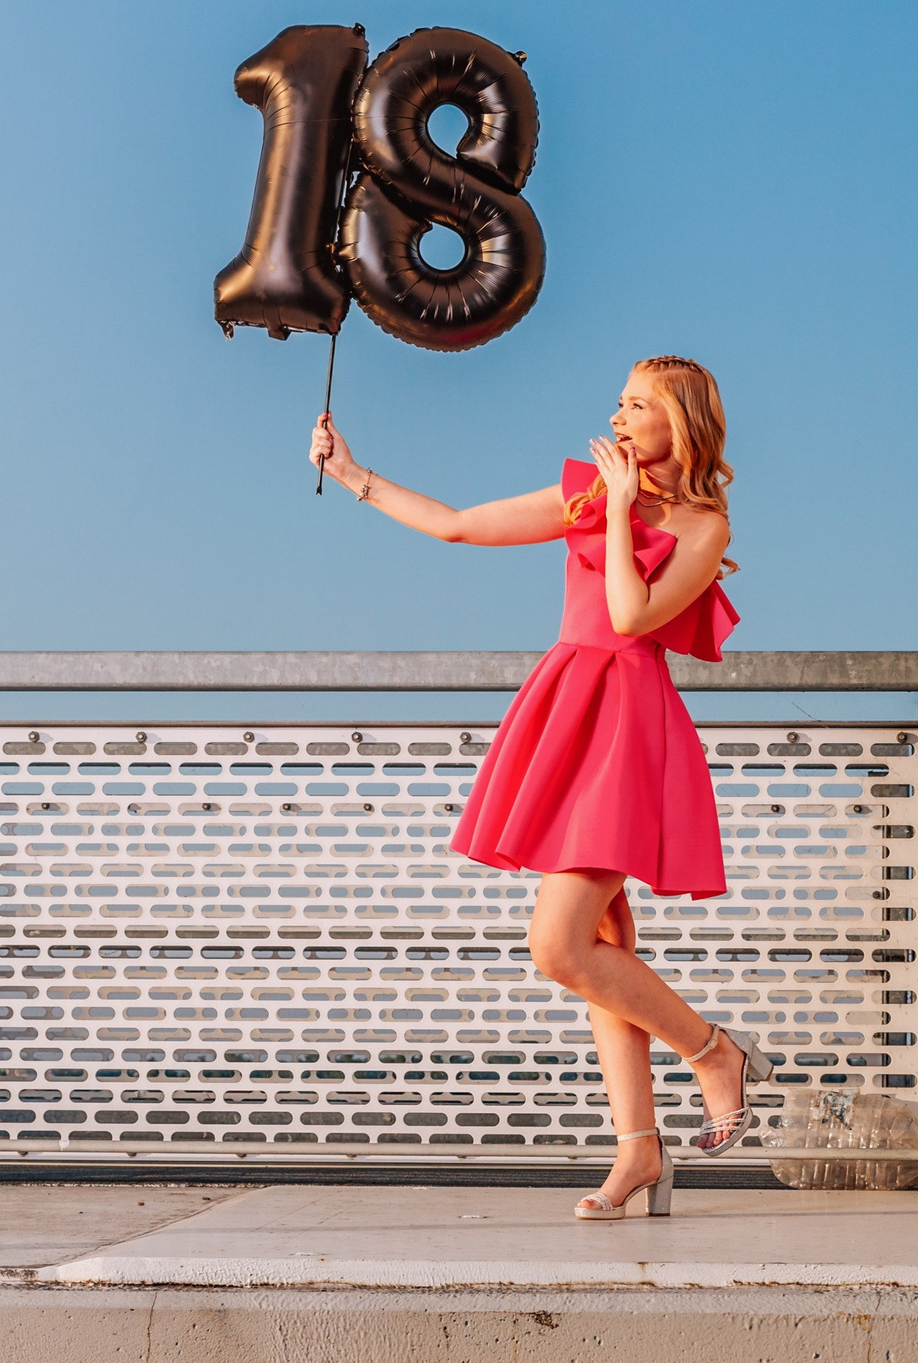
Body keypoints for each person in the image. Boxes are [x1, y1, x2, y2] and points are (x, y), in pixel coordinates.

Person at [307, 355, 764, 1221]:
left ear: (684, 419)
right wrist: (353, 473)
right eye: (620, 401)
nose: (621, 415)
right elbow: (460, 525)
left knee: (558, 946)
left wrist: (626, 509)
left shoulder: (703, 524)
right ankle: (640, 1151)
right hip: (567, 713)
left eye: (641, 404)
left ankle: (713, 1052)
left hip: (628, 727)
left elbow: (631, 617)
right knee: (598, 942)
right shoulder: (587, 492)